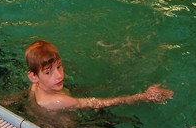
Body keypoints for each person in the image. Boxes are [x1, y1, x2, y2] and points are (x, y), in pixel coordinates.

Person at [25, 40, 173, 112]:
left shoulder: (35, 86)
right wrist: (143, 96)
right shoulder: (60, 101)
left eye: (59, 66)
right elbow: (99, 103)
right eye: (48, 72)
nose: (59, 75)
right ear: (33, 76)